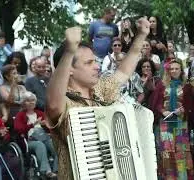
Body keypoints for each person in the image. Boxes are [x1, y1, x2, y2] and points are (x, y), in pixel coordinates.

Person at [46, 17, 150, 180]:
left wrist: (142, 35)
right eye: (89, 63)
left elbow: (124, 71)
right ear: (69, 70)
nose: (96, 66)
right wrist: (69, 51)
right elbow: (52, 105)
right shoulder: (63, 100)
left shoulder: (100, 89)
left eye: (95, 61)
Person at [158, 60, 194, 179]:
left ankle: (182, 177)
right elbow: (156, 103)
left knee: (181, 152)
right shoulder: (162, 85)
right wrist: (163, 111)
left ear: (181, 70)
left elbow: (191, 105)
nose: (173, 71)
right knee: (167, 152)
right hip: (165, 124)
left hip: (180, 123)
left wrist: (184, 109)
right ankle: (169, 177)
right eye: (171, 69)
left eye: (176, 68)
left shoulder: (186, 86)